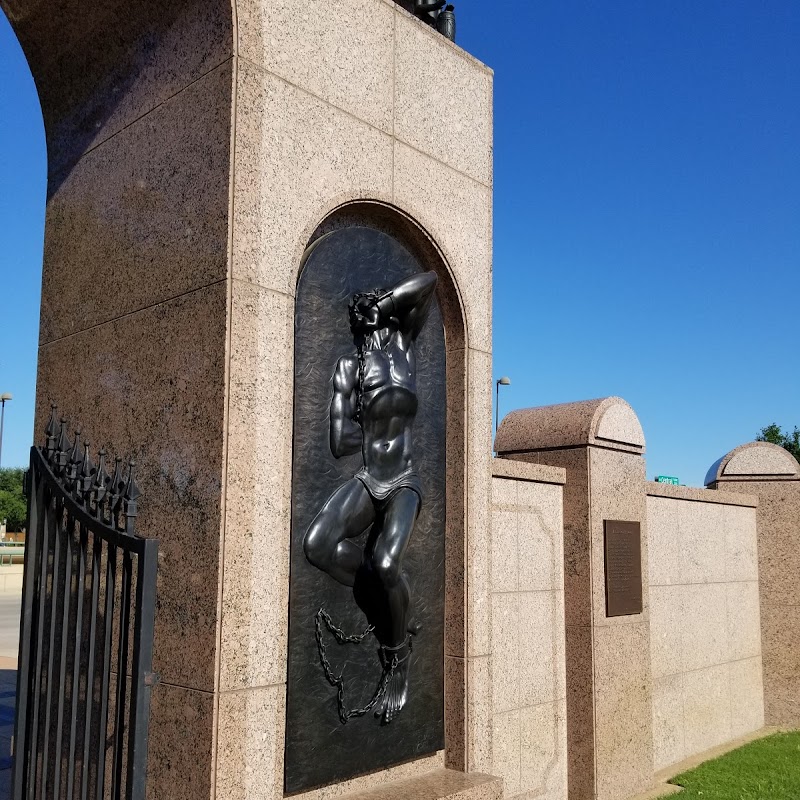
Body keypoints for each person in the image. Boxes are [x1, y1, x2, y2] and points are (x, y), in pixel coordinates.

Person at [304, 270, 438, 724]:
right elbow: (340, 442)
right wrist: (355, 407)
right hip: (368, 477)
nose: (366, 325)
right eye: (360, 317)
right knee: (318, 544)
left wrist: (385, 304)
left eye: (372, 313)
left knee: (384, 563)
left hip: (403, 479)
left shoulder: (405, 347)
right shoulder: (350, 368)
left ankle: (397, 655)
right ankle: (391, 602)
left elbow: (429, 282)